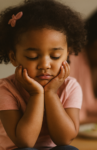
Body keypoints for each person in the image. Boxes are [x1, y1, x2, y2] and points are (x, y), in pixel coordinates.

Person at [0, 0, 86, 150]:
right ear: (13, 57)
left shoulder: (70, 87)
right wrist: (36, 95)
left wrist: (51, 93)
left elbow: (65, 139)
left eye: (55, 56)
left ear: (67, 54)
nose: (45, 65)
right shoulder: (5, 89)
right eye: (33, 56)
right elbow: (24, 142)